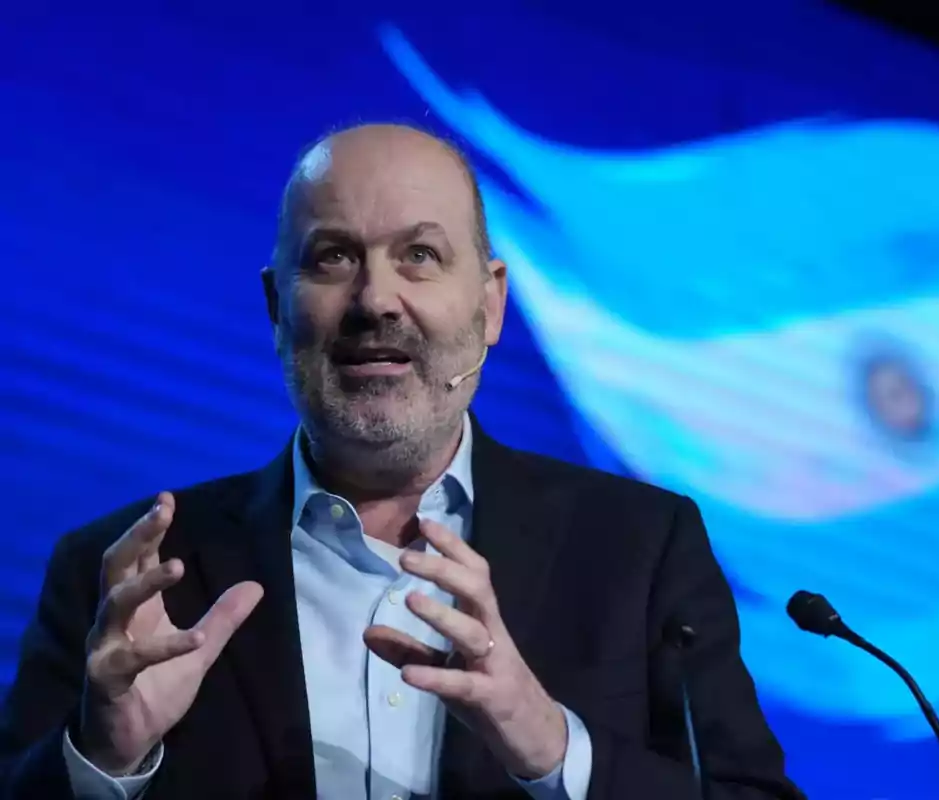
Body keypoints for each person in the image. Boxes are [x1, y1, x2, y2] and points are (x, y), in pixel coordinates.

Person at [0, 124, 803, 799]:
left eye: (419, 255)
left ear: (490, 303)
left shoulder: (640, 547)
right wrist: (102, 765)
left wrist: (555, 746)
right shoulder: (128, 576)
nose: (376, 299)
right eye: (333, 259)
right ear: (278, 308)